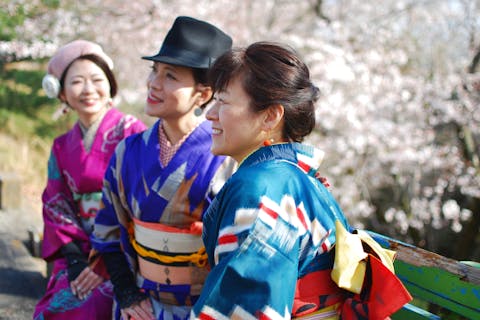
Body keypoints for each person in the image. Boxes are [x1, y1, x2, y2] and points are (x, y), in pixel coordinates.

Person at [191, 42, 412, 319]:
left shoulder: (262, 189)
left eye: (222, 102)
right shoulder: (293, 178)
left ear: (270, 116)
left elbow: (246, 306)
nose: (209, 113)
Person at [91, 16, 236, 320]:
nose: (153, 84)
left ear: (204, 93)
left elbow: (237, 252)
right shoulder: (127, 153)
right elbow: (107, 232)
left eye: (170, 76)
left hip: (205, 310)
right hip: (140, 307)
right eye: (154, 71)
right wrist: (128, 296)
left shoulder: (225, 157)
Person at [33, 40, 147, 319]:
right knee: (55, 306)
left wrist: (106, 260)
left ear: (110, 86)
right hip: (80, 254)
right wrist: (75, 261)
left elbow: (142, 198)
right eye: (76, 82)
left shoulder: (132, 132)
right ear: (61, 94)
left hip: (125, 254)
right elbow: (56, 205)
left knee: (95, 304)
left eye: (97, 79)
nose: (88, 90)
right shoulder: (61, 146)